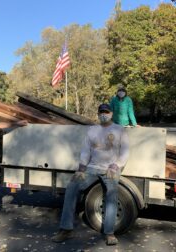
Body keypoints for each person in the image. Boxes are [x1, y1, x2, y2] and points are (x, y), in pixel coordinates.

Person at [51, 103, 129, 246]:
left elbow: (125, 152)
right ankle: (66, 229)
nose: (104, 114)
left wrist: (116, 166)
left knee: (111, 197)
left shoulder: (119, 130)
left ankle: (109, 233)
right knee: (72, 188)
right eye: (101, 112)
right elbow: (86, 151)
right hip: (92, 168)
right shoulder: (92, 130)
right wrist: (81, 169)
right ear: (98, 114)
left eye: (106, 112)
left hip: (110, 170)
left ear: (111, 113)